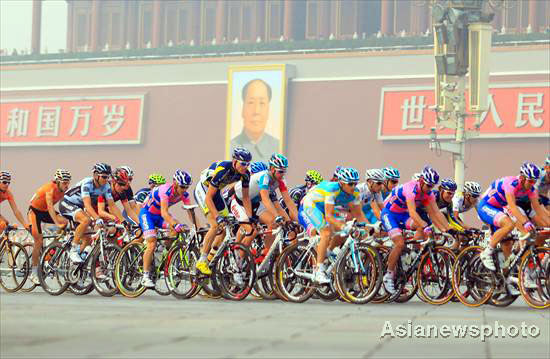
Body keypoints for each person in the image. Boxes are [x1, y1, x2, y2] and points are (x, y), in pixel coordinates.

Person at [381, 166, 452, 293]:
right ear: (421, 180)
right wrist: (425, 226)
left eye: (432, 186)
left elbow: (436, 212)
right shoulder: (411, 188)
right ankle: (388, 276)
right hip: (389, 213)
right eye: (428, 185)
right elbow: (413, 212)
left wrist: (448, 229)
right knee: (399, 242)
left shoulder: (428, 193)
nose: (430, 189)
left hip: (402, 215)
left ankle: (411, 254)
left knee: (422, 227)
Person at [301, 167, 368, 284]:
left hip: (326, 207)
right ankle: (318, 270)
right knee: (326, 233)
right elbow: (329, 216)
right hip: (312, 205)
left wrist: (370, 228)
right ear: (341, 183)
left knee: (348, 230)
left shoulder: (356, 192)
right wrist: (342, 226)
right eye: (350, 184)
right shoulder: (332, 189)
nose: (353, 187)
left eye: (355, 183)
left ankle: (326, 251)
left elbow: (358, 214)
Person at [478, 162, 546, 273]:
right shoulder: (511, 183)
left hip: (499, 209)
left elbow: (538, 209)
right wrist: (525, 222)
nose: (532, 184)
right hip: (486, 206)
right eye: (530, 180)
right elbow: (513, 207)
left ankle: (505, 279)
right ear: (523, 177)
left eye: (534, 181)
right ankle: (486, 253)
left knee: (507, 244)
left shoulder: (531, 189)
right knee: (509, 224)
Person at [194, 147, 253, 275]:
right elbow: (209, 197)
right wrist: (216, 216)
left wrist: (249, 217)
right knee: (215, 224)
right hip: (204, 190)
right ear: (234, 161)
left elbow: (246, 197)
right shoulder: (223, 170)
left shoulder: (245, 174)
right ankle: (201, 260)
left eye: (248, 164)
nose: (245, 166)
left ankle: (210, 259)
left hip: (216, 192)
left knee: (227, 226)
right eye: (243, 163)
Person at [230, 154, 298, 250]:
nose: (283, 174)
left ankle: (265, 254)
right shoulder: (264, 177)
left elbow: (288, 201)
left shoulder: (281, 180)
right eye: (280, 171)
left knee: (273, 223)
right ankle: (239, 259)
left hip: (254, 203)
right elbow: (265, 199)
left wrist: (294, 221)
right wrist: (277, 216)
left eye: (284, 171)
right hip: (239, 202)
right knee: (252, 231)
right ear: (272, 169)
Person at [60, 163, 124, 264]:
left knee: (88, 239)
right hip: (67, 203)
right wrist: (97, 218)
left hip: (79, 207)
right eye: (103, 177)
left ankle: (76, 265)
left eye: (107, 177)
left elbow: (112, 205)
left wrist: (122, 221)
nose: (106, 179)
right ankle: (73, 249)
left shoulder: (106, 186)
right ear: (95, 175)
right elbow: (88, 205)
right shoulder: (87, 183)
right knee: (86, 220)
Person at [139, 170, 193, 288]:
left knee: (178, 228)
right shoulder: (165, 190)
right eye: (182, 187)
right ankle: (145, 276)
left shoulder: (185, 194)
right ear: (175, 183)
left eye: (187, 187)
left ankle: (166, 254)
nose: (184, 190)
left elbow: (190, 211)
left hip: (158, 217)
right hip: (147, 214)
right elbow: (164, 212)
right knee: (152, 243)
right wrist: (174, 224)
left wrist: (197, 227)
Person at [27, 169, 72, 284]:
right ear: (57, 182)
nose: (67, 185)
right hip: (34, 212)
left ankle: (50, 253)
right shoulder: (49, 188)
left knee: (65, 222)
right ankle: (33, 272)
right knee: (39, 241)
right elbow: (50, 206)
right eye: (64, 182)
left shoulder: (63, 191)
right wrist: (57, 223)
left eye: (68, 182)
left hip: (45, 212)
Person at [230, 79, 279, 163]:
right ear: (242, 109)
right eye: (251, 102)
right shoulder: (230, 147)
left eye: (262, 103)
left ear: (268, 110)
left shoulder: (278, 146)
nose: (256, 111)